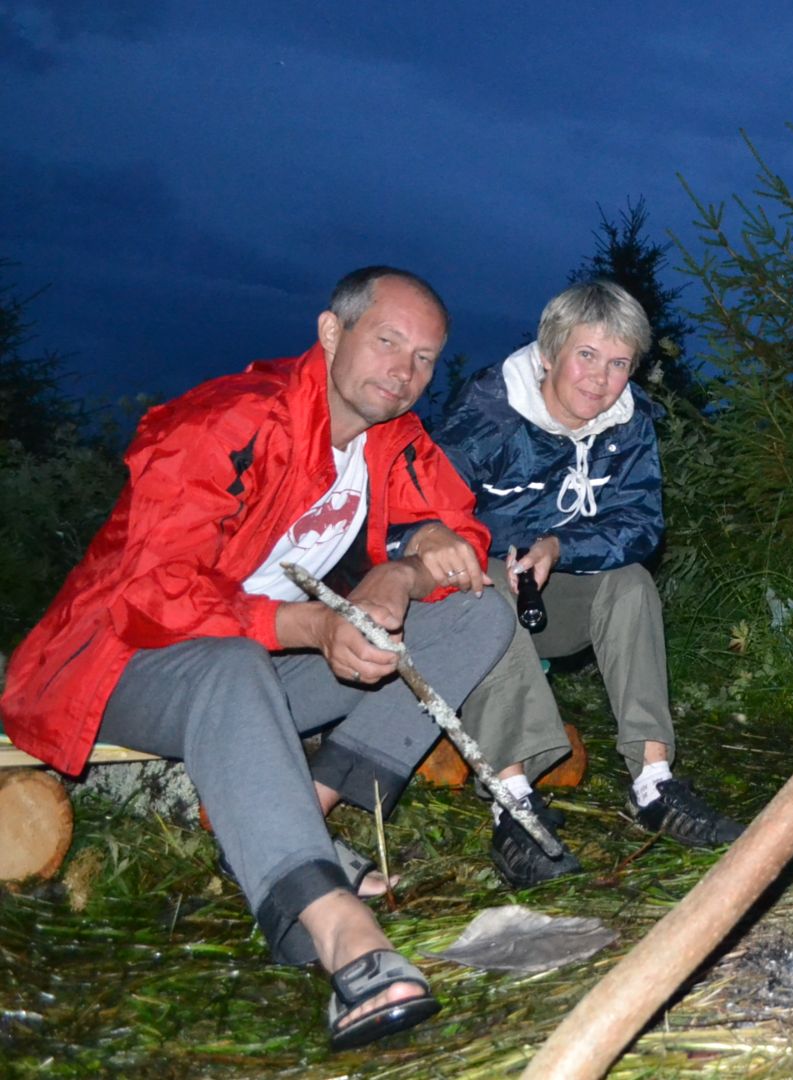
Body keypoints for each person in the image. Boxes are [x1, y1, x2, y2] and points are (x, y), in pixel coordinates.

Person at [0, 267, 514, 1050]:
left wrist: (402, 571)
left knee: (482, 611)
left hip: (261, 662)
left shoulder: (392, 438)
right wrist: (312, 626)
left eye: (424, 358)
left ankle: (295, 816)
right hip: (117, 663)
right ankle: (336, 928)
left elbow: (462, 535)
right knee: (229, 664)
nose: (404, 373)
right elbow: (152, 595)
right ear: (331, 333)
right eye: (387, 342)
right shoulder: (230, 421)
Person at [435, 280, 744, 888]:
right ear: (550, 352)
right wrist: (505, 554)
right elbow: (426, 518)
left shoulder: (628, 423)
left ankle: (654, 783)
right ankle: (513, 800)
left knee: (629, 582)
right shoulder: (488, 413)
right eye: (587, 355)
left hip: (558, 602)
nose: (601, 380)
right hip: (470, 612)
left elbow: (640, 524)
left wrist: (561, 546)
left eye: (620, 363)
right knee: (488, 584)